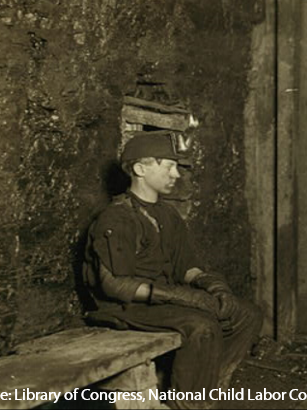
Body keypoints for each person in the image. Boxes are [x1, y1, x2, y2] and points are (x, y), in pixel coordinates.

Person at [83, 131, 262, 409]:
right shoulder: (117, 217)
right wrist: (177, 297)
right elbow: (114, 285)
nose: (176, 174)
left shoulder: (168, 215)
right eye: (168, 166)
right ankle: (186, 404)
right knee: (202, 327)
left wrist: (213, 285)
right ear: (141, 169)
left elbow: (186, 267)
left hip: (160, 302)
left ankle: (206, 389)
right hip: (124, 307)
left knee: (246, 315)